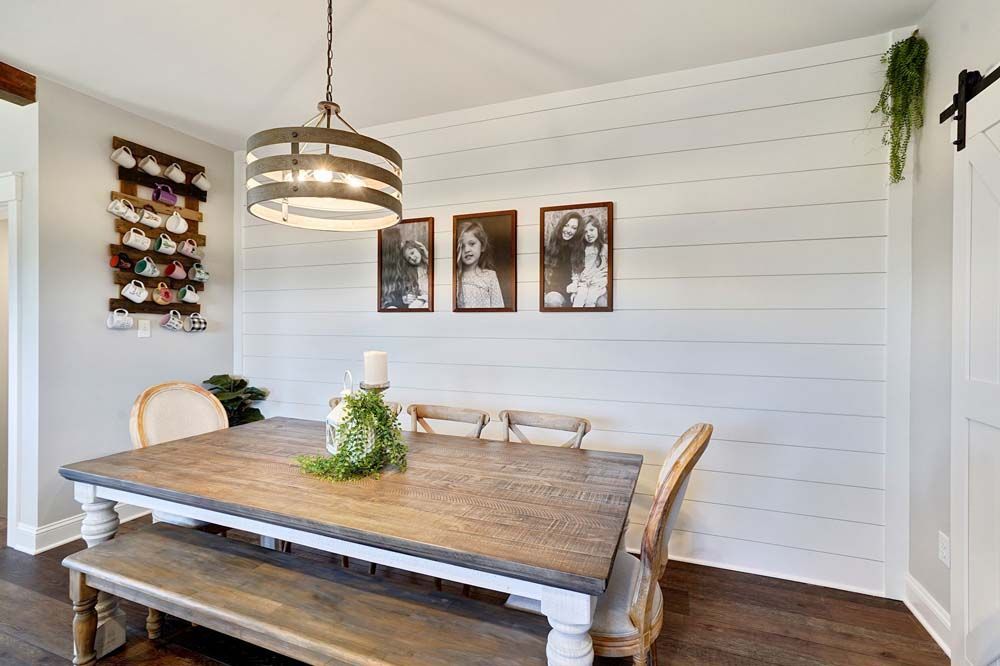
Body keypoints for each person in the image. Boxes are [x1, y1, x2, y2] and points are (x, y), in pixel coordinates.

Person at [455, 221, 504, 308]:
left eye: (472, 244)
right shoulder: (455, 277)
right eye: (462, 246)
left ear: (482, 246)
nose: (466, 250)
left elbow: (498, 307)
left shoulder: (490, 276)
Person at [567, 216, 609, 308]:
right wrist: (575, 286)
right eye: (585, 232)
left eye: (591, 230)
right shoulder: (579, 250)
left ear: (598, 230)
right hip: (583, 284)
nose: (589, 234)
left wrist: (601, 278)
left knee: (590, 301)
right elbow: (575, 271)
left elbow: (608, 269)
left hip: (598, 284)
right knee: (577, 303)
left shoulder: (605, 248)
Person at [543, 211, 582, 307]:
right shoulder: (548, 248)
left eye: (574, 228)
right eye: (566, 225)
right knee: (553, 301)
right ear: (561, 226)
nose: (569, 230)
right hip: (555, 291)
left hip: (576, 291)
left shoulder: (581, 249)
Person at [400, 239, 430, 308]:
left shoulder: (428, 263)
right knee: (412, 307)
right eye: (409, 259)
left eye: (412, 253)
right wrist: (407, 298)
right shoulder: (412, 272)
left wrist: (427, 255)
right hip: (422, 299)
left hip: (434, 299)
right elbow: (409, 291)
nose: (412, 258)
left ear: (418, 249)